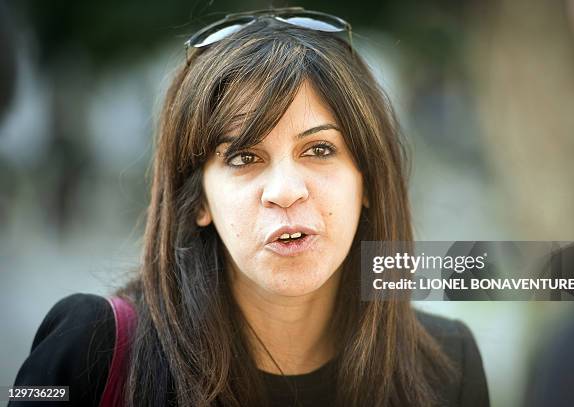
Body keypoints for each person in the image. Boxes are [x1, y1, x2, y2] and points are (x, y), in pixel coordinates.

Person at [11, 7, 489, 407]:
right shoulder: (87, 349)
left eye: (319, 150)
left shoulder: (447, 365)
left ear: (367, 182)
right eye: (244, 158)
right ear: (199, 202)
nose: (284, 190)